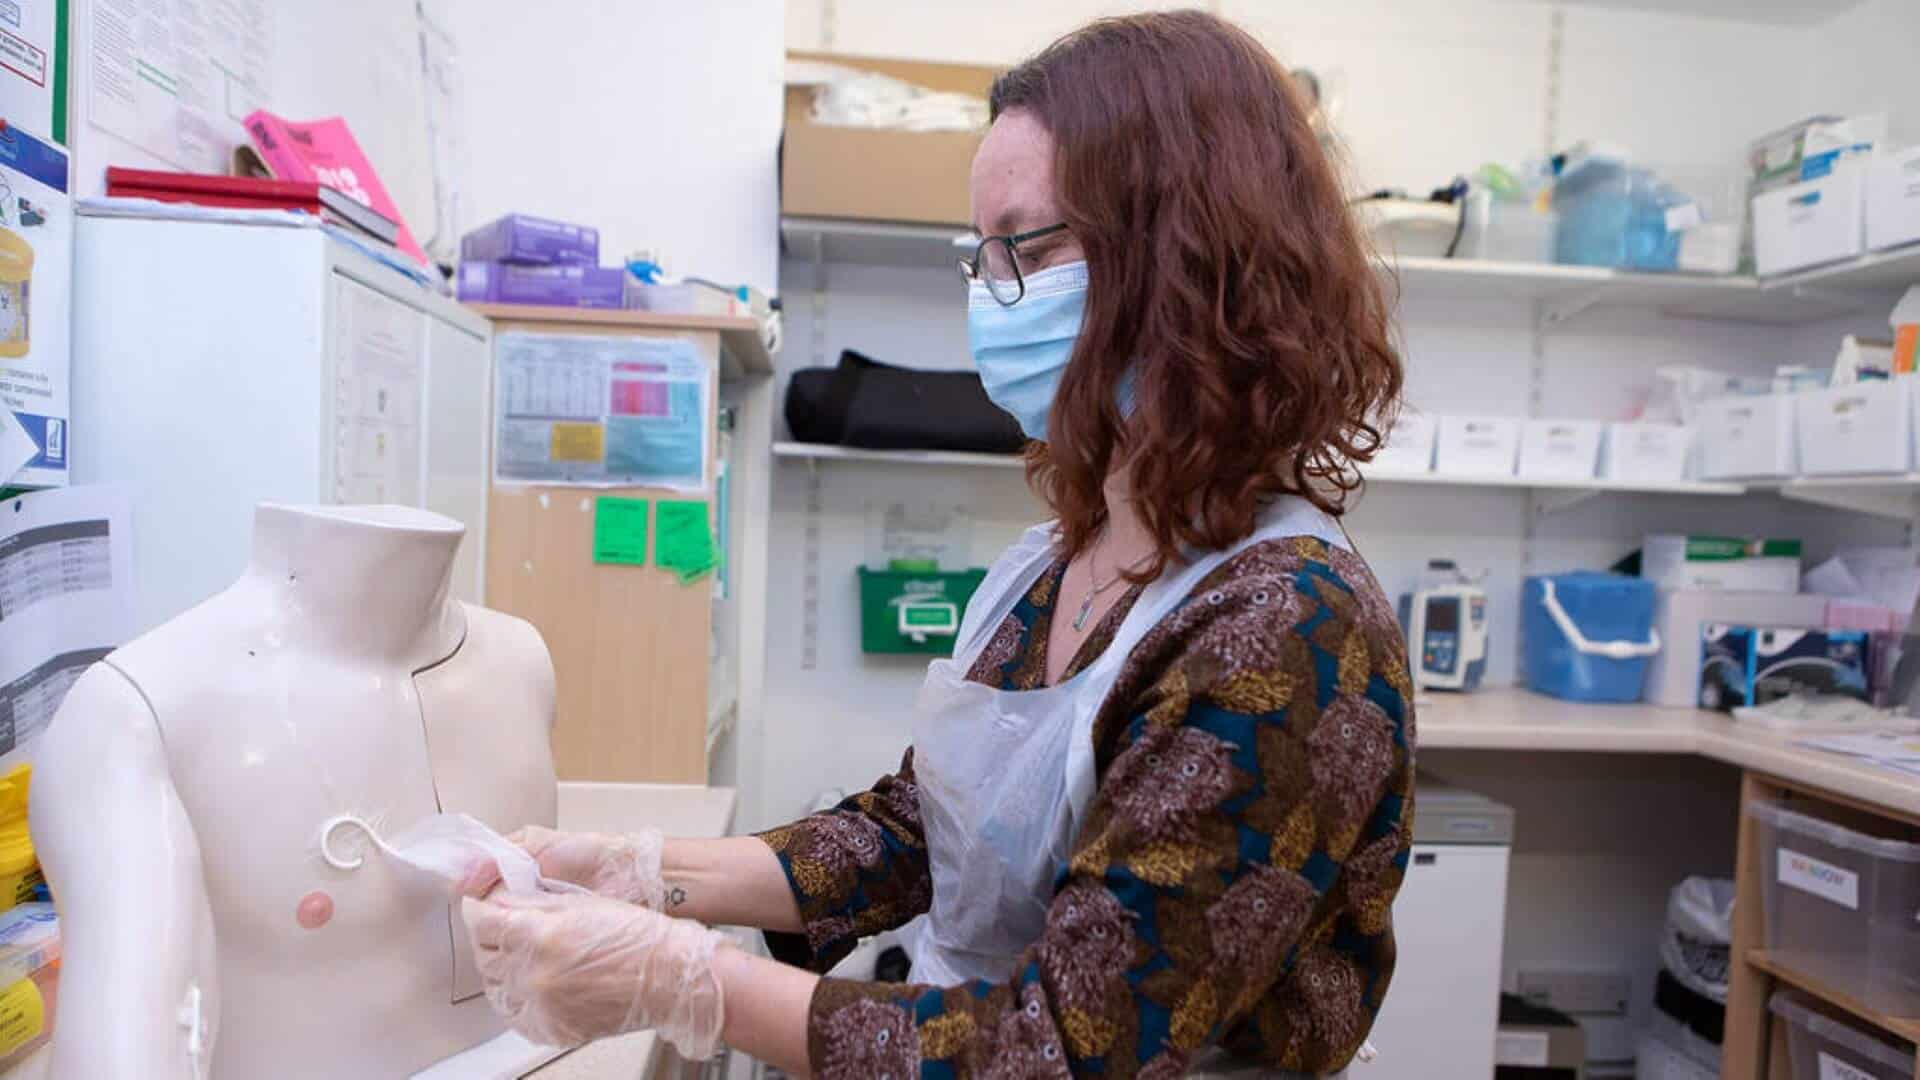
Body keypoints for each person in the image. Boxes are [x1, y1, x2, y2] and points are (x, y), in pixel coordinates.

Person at [458, 10, 1414, 1078]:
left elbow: (1055, 1054)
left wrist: (686, 978)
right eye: (981, 255)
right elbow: (930, 830)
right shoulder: (1062, 562)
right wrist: (646, 872)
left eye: (1032, 247)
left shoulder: (1286, 631)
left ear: (1191, 256)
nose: (994, 294)